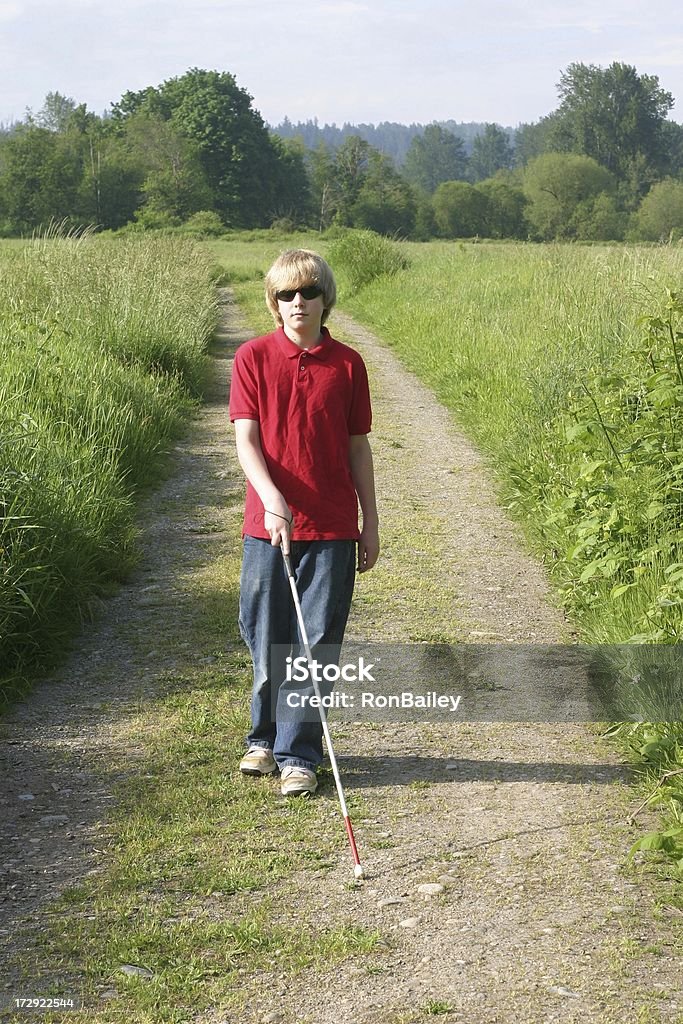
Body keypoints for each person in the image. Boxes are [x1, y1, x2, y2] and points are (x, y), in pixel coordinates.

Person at [229, 249, 380, 796]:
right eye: (287, 294)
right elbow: (246, 442)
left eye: (308, 292)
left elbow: (357, 447)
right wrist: (272, 499)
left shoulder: (349, 364)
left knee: (316, 644)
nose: (298, 303)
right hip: (266, 525)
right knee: (265, 635)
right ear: (274, 302)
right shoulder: (251, 357)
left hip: (334, 525)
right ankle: (262, 740)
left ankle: (299, 755)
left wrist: (371, 519)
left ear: (324, 300)